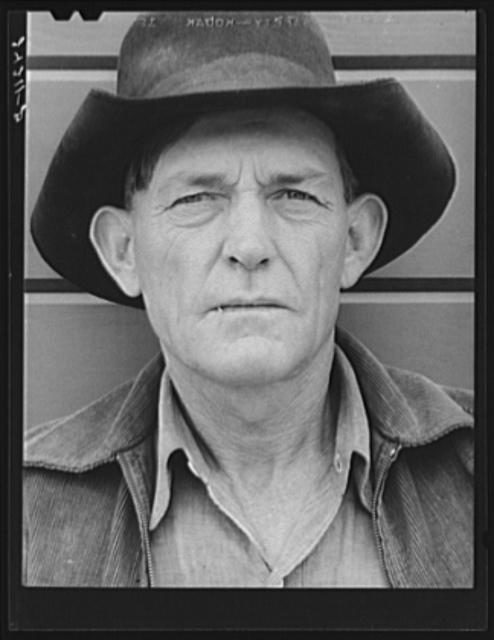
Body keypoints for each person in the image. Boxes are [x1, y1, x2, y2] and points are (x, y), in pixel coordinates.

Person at [23, 11, 473, 588]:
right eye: (196, 199)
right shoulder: (27, 514)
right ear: (125, 251)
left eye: (293, 193)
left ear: (355, 240)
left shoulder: (471, 473)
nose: (250, 245)